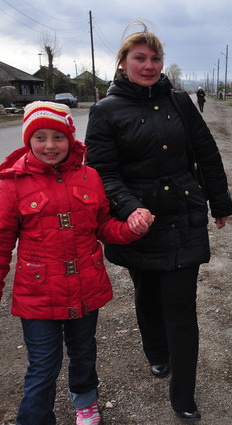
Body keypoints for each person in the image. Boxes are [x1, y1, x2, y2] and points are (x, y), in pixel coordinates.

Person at [84, 22, 232, 422]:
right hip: (138, 221)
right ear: (123, 62)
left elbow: (206, 152)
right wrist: (128, 206)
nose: (149, 66)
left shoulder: (180, 102)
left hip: (183, 214)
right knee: (148, 293)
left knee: (181, 305)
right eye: (140, 58)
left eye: (155, 59)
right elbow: (101, 171)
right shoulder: (105, 111)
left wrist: (219, 203)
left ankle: (183, 394)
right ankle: (156, 352)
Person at [0, 101, 154, 425]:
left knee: (83, 351)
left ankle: (85, 402)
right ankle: (36, 418)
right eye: (40, 137)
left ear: (70, 137)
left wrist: (129, 228)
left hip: (85, 286)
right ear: (28, 140)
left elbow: (103, 227)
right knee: (43, 364)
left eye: (58, 137)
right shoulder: (11, 184)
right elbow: (1, 245)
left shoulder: (90, 177)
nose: (50, 145)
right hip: (38, 295)